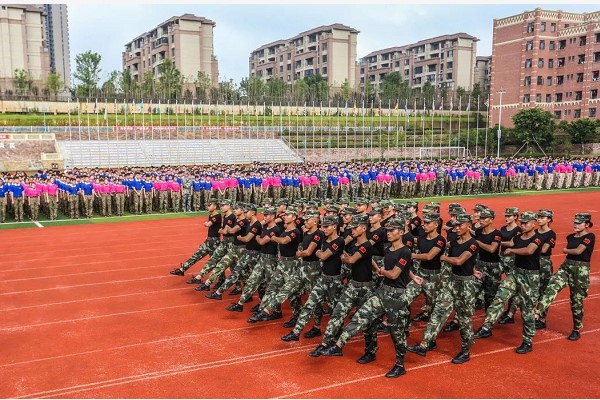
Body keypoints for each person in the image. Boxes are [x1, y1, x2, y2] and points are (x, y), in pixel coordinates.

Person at [319, 216, 421, 379]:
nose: (388, 233)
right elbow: (403, 268)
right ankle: (338, 345)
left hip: (397, 296)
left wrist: (382, 271)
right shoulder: (388, 249)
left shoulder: (405, 251)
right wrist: (412, 275)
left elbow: (395, 273)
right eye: (387, 230)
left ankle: (400, 365)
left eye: (392, 230)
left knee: (397, 334)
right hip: (382, 291)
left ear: (401, 232)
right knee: (360, 316)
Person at [407, 214, 481, 364]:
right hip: (452, 282)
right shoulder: (454, 242)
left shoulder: (473, 243)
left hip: (466, 286)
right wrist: (473, 269)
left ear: (469, 226)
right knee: (438, 311)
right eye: (455, 226)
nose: (457, 228)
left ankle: (466, 351)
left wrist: (443, 258)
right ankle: (425, 344)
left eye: (460, 225)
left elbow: (460, 261)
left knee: (465, 320)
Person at [474, 211, 543, 354]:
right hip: (515, 273)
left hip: (530, 278)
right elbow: (508, 243)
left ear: (533, 224)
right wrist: (494, 241)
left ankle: (527, 341)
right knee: (500, 297)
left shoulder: (536, 239)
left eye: (526, 223)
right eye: (522, 223)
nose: (523, 225)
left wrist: (512, 250)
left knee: (527, 310)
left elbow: (529, 251)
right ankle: (486, 327)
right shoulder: (518, 237)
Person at [309, 214, 374, 358]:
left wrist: (343, 258)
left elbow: (352, 259)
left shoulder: (366, 245)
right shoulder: (356, 245)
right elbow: (369, 260)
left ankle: (370, 351)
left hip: (365, 287)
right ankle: (326, 343)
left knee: (367, 323)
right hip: (353, 285)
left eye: (355, 228)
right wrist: (377, 269)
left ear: (363, 228)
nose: (352, 230)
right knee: (338, 312)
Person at [281, 215, 345, 341]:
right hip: (322, 278)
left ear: (334, 226)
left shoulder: (339, 241)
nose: (324, 229)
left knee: (334, 311)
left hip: (334, 281)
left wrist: (319, 253)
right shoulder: (325, 241)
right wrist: (319, 254)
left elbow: (324, 256)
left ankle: (336, 339)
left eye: (326, 227)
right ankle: (296, 332)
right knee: (309, 304)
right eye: (323, 227)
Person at [536, 213, 595, 341]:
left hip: (581, 271)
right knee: (552, 287)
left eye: (579, 223)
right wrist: (568, 251)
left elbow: (578, 251)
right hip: (566, 266)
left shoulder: (590, 236)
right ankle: (538, 313)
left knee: (576, 301)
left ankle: (576, 328)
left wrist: (566, 250)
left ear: (586, 225)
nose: (576, 225)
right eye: (575, 223)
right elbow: (573, 250)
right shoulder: (570, 237)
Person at [170, 198, 222, 277]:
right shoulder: (211, 215)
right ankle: (182, 269)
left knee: (214, 260)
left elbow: (208, 224)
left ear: (215, 206)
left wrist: (206, 223)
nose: (208, 207)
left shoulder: (217, 216)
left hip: (213, 241)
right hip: (210, 240)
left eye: (209, 205)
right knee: (201, 256)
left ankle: (221, 279)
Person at [410, 213, 447, 323]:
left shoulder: (440, 240)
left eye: (427, 223)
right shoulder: (422, 238)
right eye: (424, 223)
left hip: (434, 276)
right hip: (421, 274)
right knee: (406, 296)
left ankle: (432, 329)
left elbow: (429, 256)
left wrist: (413, 256)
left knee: (432, 304)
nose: (424, 225)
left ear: (436, 224)